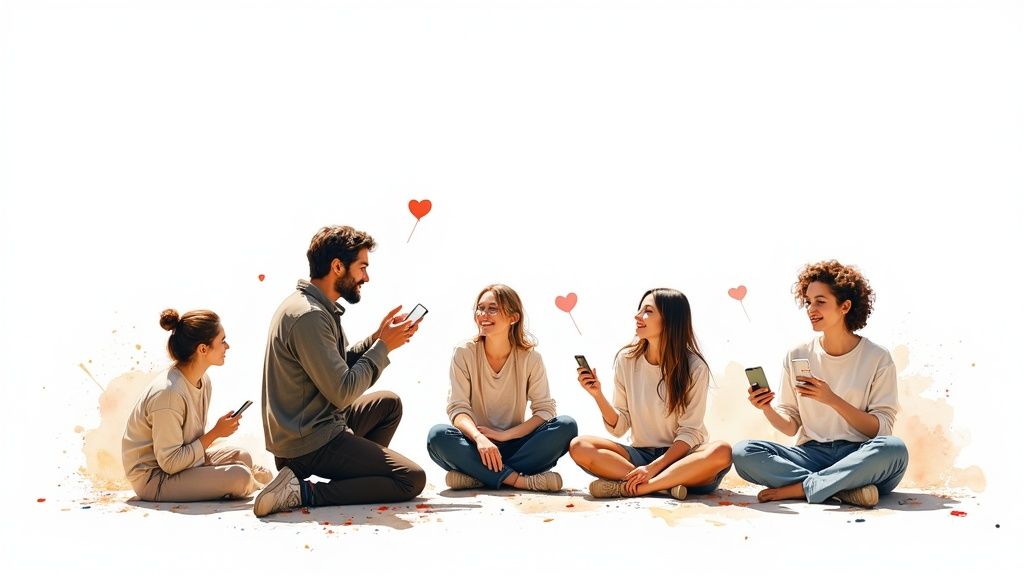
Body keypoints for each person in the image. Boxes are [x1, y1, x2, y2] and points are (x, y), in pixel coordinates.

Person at [253, 225, 426, 518]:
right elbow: (342, 392)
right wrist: (383, 348)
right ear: (337, 266)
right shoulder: (309, 316)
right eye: (362, 267)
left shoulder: (312, 307)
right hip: (308, 443)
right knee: (410, 478)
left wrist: (376, 338)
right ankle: (302, 491)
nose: (366, 278)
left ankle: (350, 481)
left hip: (311, 426)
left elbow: (334, 367)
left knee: (388, 404)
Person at [732, 260, 909, 508]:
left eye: (820, 301)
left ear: (845, 306)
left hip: (859, 456)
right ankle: (842, 490)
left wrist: (831, 399)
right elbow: (791, 425)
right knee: (744, 453)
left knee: (894, 449)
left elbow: (879, 431)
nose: (811, 309)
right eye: (808, 302)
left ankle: (804, 487)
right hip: (811, 455)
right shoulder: (797, 354)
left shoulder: (877, 357)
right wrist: (767, 408)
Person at [569, 288, 732, 500]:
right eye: (639, 310)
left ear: (670, 320)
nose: (638, 316)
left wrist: (655, 468)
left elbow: (690, 432)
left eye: (648, 311)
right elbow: (620, 426)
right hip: (641, 456)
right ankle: (666, 487)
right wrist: (597, 395)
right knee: (579, 446)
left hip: (684, 457)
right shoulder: (626, 360)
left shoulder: (695, 367)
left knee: (722, 451)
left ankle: (643, 487)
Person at [426, 284, 577, 492]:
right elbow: (458, 408)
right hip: (476, 446)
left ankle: (479, 476)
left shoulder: (531, 358)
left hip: (517, 444)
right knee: (437, 435)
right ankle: (518, 480)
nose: (483, 314)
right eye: (480, 308)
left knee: (567, 425)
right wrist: (480, 438)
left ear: (513, 318)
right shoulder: (464, 352)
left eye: (492, 308)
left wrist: (505, 436)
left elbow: (545, 411)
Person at [122, 309, 271, 502]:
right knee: (239, 477)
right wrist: (216, 433)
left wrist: (218, 432)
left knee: (243, 458)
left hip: (181, 467)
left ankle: (247, 479)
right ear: (202, 349)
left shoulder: (203, 381)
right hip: (155, 479)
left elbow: (189, 442)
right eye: (222, 341)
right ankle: (254, 484)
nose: (228, 346)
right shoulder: (169, 394)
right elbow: (170, 463)